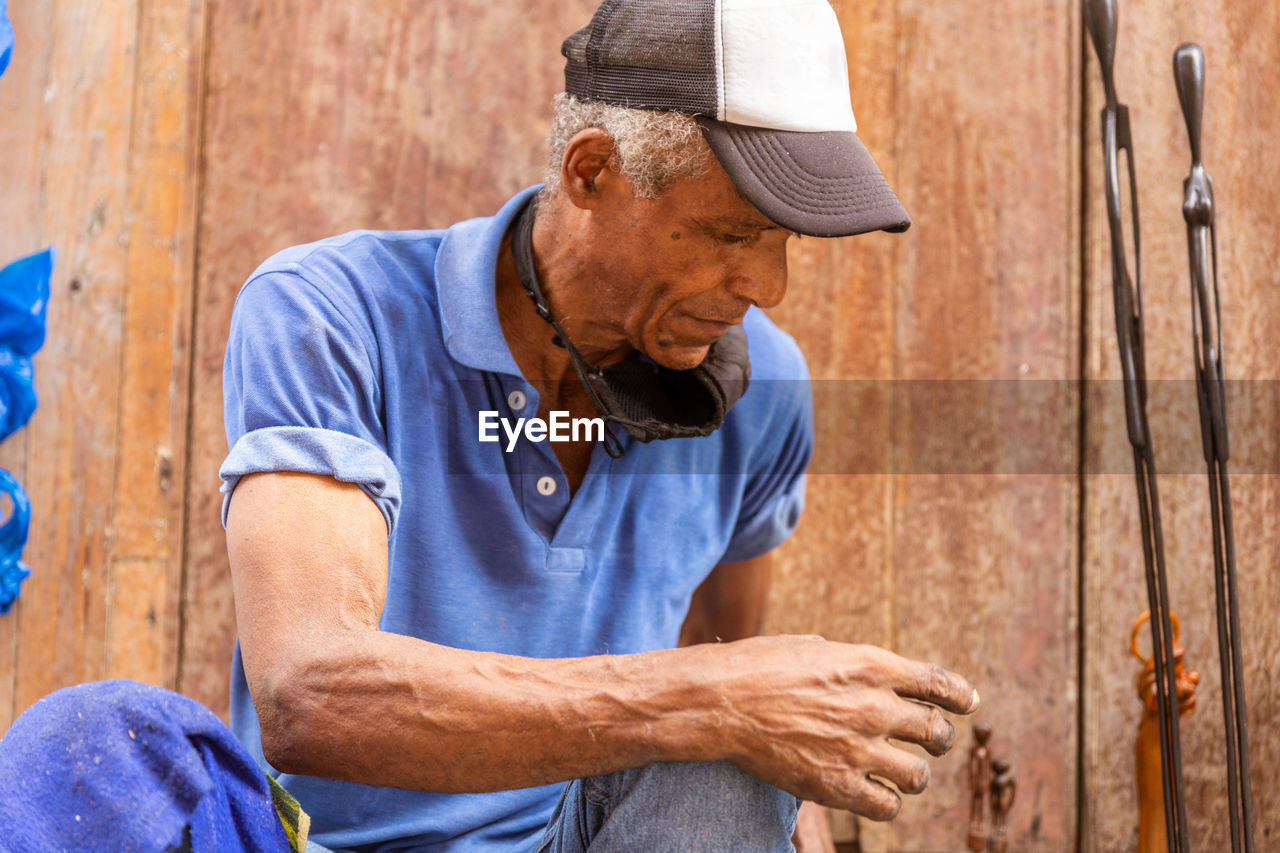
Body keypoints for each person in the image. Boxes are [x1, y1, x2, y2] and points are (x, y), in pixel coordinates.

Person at [0, 1, 978, 851]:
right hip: (308, 844)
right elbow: (309, 692)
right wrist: (720, 699)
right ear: (591, 172)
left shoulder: (760, 385)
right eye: (731, 234)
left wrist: (771, 764)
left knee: (730, 760)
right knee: (95, 737)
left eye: (782, 244)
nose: (764, 287)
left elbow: (727, 650)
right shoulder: (330, 312)